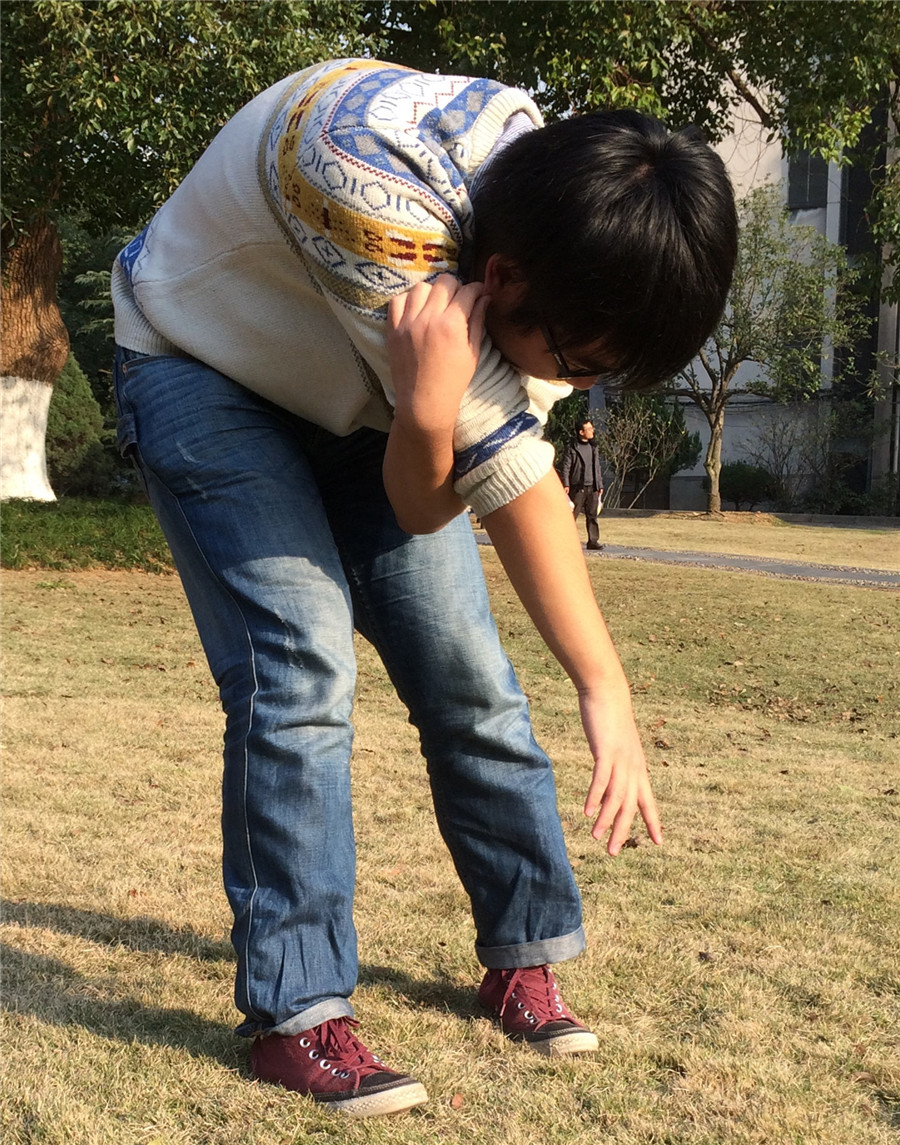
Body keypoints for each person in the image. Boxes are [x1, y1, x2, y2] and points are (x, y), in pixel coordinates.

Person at [111, 57, 737, 1117]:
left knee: (468, 676)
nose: (579, 381)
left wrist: (433, 409)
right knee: (300, 664)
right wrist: (604, 685)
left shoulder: (559, 218)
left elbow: (421, 495)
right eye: (579, 356)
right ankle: (297, 1013)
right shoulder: (367, 180)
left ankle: (523, 954)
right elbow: (465, 492)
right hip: (203, 360)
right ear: (502, 277)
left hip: (374, 395)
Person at [560, 419, 605, 550]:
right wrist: (566, 484)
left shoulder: (594, 446)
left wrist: (600, 485)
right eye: (589, 429)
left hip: (593, 487)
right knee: (572, 516)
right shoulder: (572, 447)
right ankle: (566, 541)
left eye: (592, 428)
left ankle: (593, 541)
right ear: (581, 432)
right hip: (578, 487)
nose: (592, 431)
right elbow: (566, 467)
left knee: (592, 516)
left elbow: (597, 467)